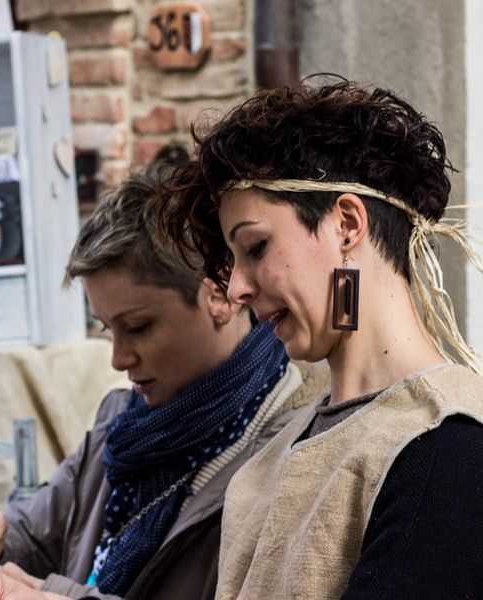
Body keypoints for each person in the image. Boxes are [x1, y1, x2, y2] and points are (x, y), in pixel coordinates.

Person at [0, 166, 328, 600]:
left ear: (219, 293)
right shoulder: (120, 426)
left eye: (138, 326)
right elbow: (35, 538)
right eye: (106, 329)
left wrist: (54, 595)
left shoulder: (293, 456)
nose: (118, 358)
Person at [158, 78, 483, 598]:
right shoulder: (280, 448)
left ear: (347, 226)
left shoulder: (447, 448)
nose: (237, 288)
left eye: (255, 247)